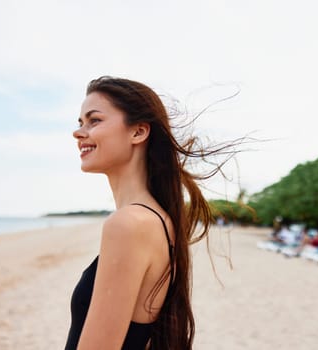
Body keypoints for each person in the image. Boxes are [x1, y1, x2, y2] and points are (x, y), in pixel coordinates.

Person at [65, 76, 224, 350]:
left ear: (138, 132)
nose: (78, 133)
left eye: (95, 120)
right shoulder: (158, 220)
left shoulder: (129, 223)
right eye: (80, 123)